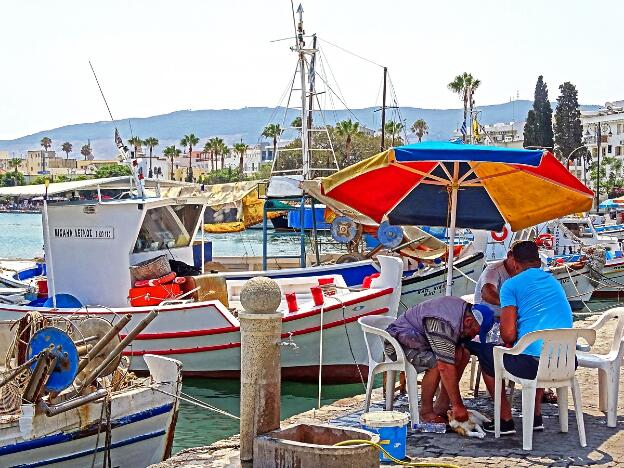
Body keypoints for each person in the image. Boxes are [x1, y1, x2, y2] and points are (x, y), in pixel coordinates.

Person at [466, 240, 573, 434]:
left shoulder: (511, 286)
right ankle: (535, 417)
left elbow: (508, 334)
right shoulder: (555, 282)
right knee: (540, 350)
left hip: (532, 365)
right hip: (566, 362)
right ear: (539, 262)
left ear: (514, 263)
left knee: (486, 354)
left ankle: (505, 419)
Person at [385, 296, 494, 423]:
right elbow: (444, 366)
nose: (473, 336)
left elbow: (456, 350)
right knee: (437, 364)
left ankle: (442, 405)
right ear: (469, 322)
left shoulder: (463, 311)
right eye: (474, 332)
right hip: (399, 344)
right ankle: (425, 412)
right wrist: (458, 405)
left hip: (420, 340)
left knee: (463, 355)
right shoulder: (442, 324)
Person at [474, 247, 517, 318]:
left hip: (508, 314)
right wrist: (511, 303)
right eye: (516, 260)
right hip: (487, 315)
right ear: (509, 255)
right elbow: (487, 294)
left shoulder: (524, 271)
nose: (517, 265)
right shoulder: (493, 270)